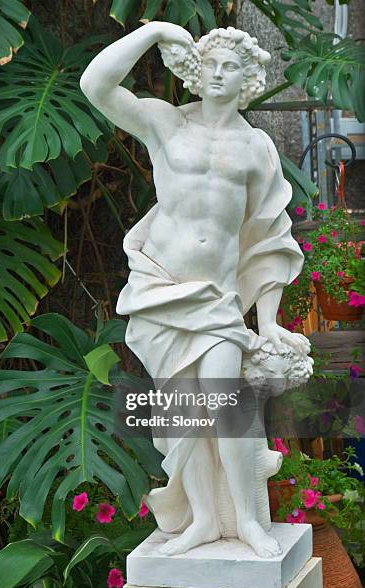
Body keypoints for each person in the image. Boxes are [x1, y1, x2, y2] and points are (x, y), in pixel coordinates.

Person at [80, 23, 310, 557]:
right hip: (161, 285)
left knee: (223, 402)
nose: (216, 73)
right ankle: (206, 520)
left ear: (247, 79)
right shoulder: (164, 123)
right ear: (195, 71)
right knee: (184, 415)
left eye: (228, 66)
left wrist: (269, 320)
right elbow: (96, 86)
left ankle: (248, 522)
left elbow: (269, 236)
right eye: (208, 64)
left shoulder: (257, 148)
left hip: (217, 298)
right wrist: (155, 32)